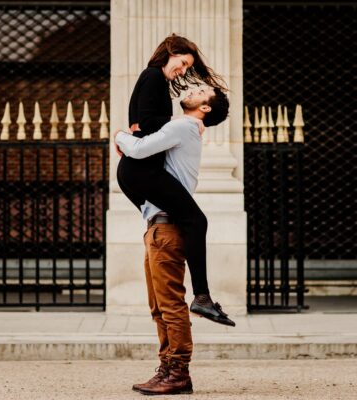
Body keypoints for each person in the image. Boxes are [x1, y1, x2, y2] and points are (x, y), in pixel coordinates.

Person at [114, 85, 230, 396]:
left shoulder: (184, 125)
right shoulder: (182, 129)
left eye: (202, 91)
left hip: (166, 230)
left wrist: (120, 136)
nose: (193, 89)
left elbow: (137, 149)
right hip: (157, 228)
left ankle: (178, 370)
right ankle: (166, 368)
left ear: (205, 108)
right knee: (158, 306)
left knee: (170, 305)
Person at [117, 33, 232, 326]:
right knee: (197, 220)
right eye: (181, 63)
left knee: (184, 218)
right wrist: (180, 123)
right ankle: (202, 297)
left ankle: (203, 297)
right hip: (142, 170)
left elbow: (143, 125)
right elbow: (147, 124)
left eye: (186, 67)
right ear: (170, 52)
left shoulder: (156, 80)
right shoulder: (153, 77)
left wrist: (139, 133)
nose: (182, 71)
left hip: (137, 172)